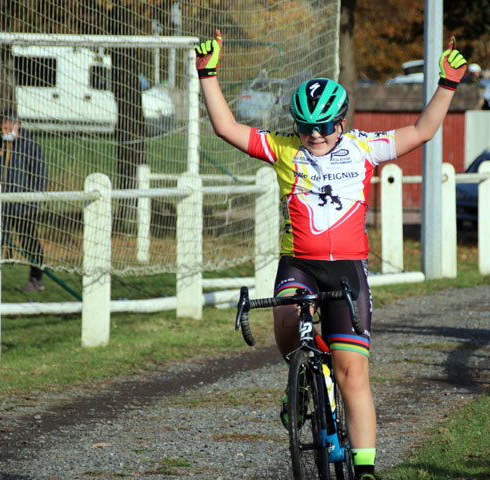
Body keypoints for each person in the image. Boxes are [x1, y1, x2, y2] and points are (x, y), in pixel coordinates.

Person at [195, 30, 467, 480]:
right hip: (298, 263)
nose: (314, 135)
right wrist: (207, 74)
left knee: (351, 374)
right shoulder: (285, 150)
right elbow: (226, 128)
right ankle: (297, 383)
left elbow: (422, 130)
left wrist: (448, 84)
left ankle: (365, 470)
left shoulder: (363, 148)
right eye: (304, 126)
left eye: (323, 126)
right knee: (285, 321)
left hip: (347, 271)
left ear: (341, 122)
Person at [0, 109, 48, 292]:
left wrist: (32, 204)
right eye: (2, 128)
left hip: (23, 207)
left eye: (7, 127)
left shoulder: (30, 146)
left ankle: (36, 279)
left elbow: (40, 176)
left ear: (17, 125)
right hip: (1, 206)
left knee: (29, 242)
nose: (4, 131)